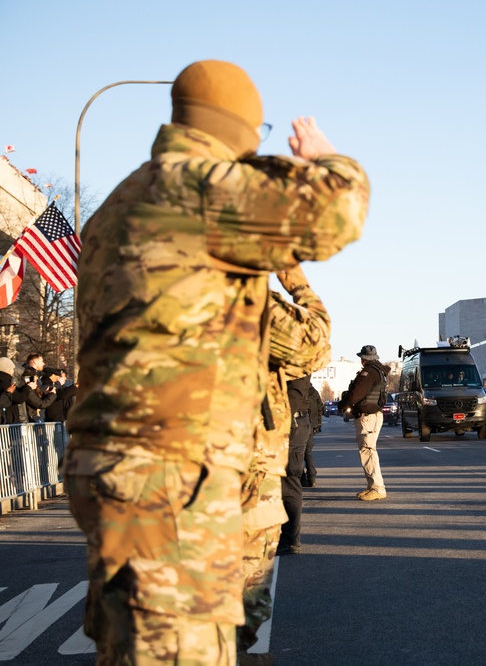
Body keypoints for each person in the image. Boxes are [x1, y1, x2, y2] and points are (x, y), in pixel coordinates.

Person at [64, 59, 369, 666]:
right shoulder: (199, 190)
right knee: (180, 651)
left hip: (114, 470)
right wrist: (327, 159)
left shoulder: (113, 210)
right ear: (243, 130)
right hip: (173, 481)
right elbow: (339, 211)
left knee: (141, 646)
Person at [239, 266, 330, 660]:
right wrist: (293, 277)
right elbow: (317, 345)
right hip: (239, 474)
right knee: (241, 613)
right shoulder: (238, 298)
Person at [339, 345, 389, 501]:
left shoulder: (369, 372)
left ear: (364, 359)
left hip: (368, 417)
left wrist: (343, 404)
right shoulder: (379, 371)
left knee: (368, 451)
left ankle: (377, 488)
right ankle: (372, 486)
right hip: (372, 415)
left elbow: (357, 393)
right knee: (368, 451)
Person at [303, 384, 323, 488]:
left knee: (296, 452)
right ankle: (311, 478)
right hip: (311, 424)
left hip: (300, 423)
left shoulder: (297, 388)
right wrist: (318, 424)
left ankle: (302, 478)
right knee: (308, 452)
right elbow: (320, 407)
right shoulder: (313, 391)